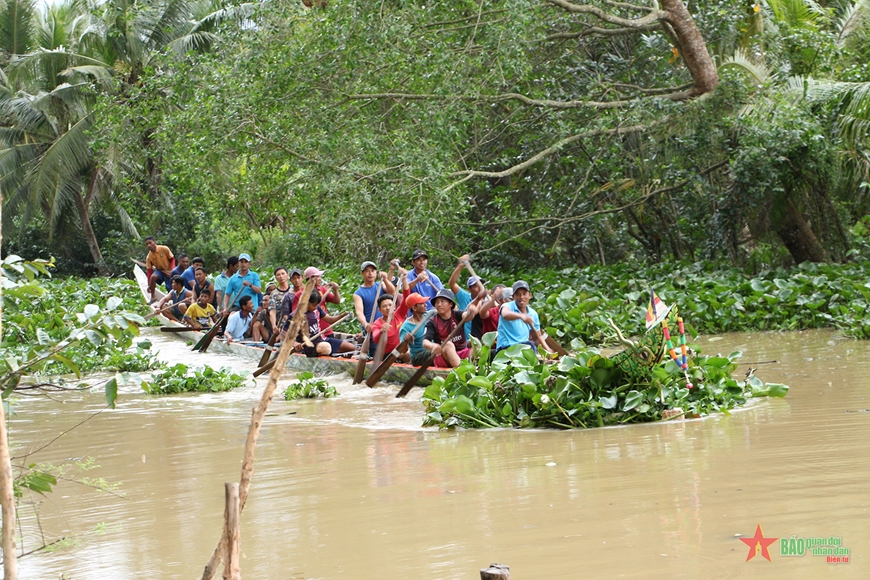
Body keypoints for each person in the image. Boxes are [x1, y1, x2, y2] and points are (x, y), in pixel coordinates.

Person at [421, 289, 478, 368]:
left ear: (451, 304)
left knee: (477, 345)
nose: (439, 304)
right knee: (448, 345)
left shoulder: (457, 314)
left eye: (442, 301)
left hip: (461, 352)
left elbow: (467, 316)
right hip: (444, 356)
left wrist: (472, 312)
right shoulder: (432, 322)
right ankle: (461, 371)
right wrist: (433, 346)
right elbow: (425, 342)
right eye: (437, 302)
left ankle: (477, 369)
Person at [291, 291, 355, 357]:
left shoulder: (317, 309)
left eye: (317, 305)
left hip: (322, 339)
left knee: (351, 348)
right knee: (326, 348)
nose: (316, 307)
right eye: (313, 305)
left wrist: (342, 316)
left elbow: (330, 320)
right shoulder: (296, 315)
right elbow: (284, 334)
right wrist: (294, 343)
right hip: (308, 345)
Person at [497, 281, 553, 354]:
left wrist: (547, 350)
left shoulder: (533, 314)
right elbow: (505, 314)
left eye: (524, 294)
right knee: (529, 346)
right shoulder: (507, 306)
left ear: (530, 295)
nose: (522, 297)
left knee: (531, 347)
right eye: (518, 294)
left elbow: (537, 337)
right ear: (513, 296)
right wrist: (521, 316)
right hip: (505, 349)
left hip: (523, 348)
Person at [369, 272, 412, 361]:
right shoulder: (376, 324)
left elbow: (407, 297)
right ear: (379, 310)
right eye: (384, 306)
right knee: (407, 355)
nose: (388, 308)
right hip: (389, 355)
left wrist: (404, 280)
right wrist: (381, 331)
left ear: (395, 306)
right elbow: (375, 337)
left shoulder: (400, 313)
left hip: (405, 350)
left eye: (390, 305)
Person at [447, 254, 488, 340]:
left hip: (483, 338)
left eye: (481, 285)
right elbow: (452, 284)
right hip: (466, 340)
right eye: (476, 285)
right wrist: (460, 266)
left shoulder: (488, 300)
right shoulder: (464, 297)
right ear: (469, 289)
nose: (480, 287)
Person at [353, 261, 397, 334]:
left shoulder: (381, 284)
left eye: (373, 271)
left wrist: (385, 279)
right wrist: (365, 324)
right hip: (372, 328)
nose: (370, 273)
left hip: (387, 325)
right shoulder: (358, 293)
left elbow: (392, 291)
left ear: (376, 273)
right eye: (367, 271)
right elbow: (359, 312)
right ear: (362, 273)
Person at [398, 293, 433, 365]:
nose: (426, 305)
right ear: (414, 308)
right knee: (438, 351)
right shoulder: (406, 327)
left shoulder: (428, 315)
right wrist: (405, 341)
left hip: (431, 350)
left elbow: (440, 311)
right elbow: (402, 351)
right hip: (417, 357)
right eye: (422, 303)